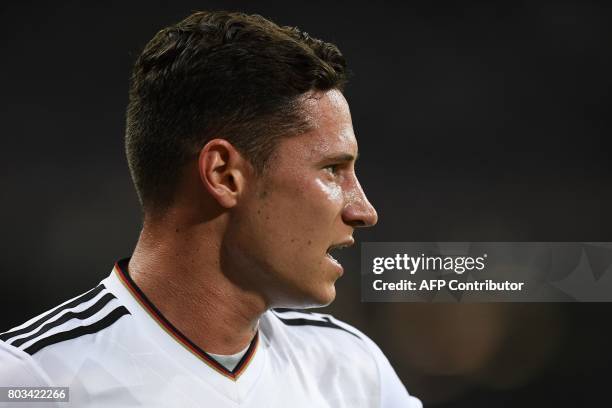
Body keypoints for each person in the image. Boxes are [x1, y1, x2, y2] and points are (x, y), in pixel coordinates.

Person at [0, 11, 422, 407]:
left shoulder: (350, 371)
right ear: (223, 174)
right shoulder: (33, 380)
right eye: (332, 169)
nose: (364, 210)